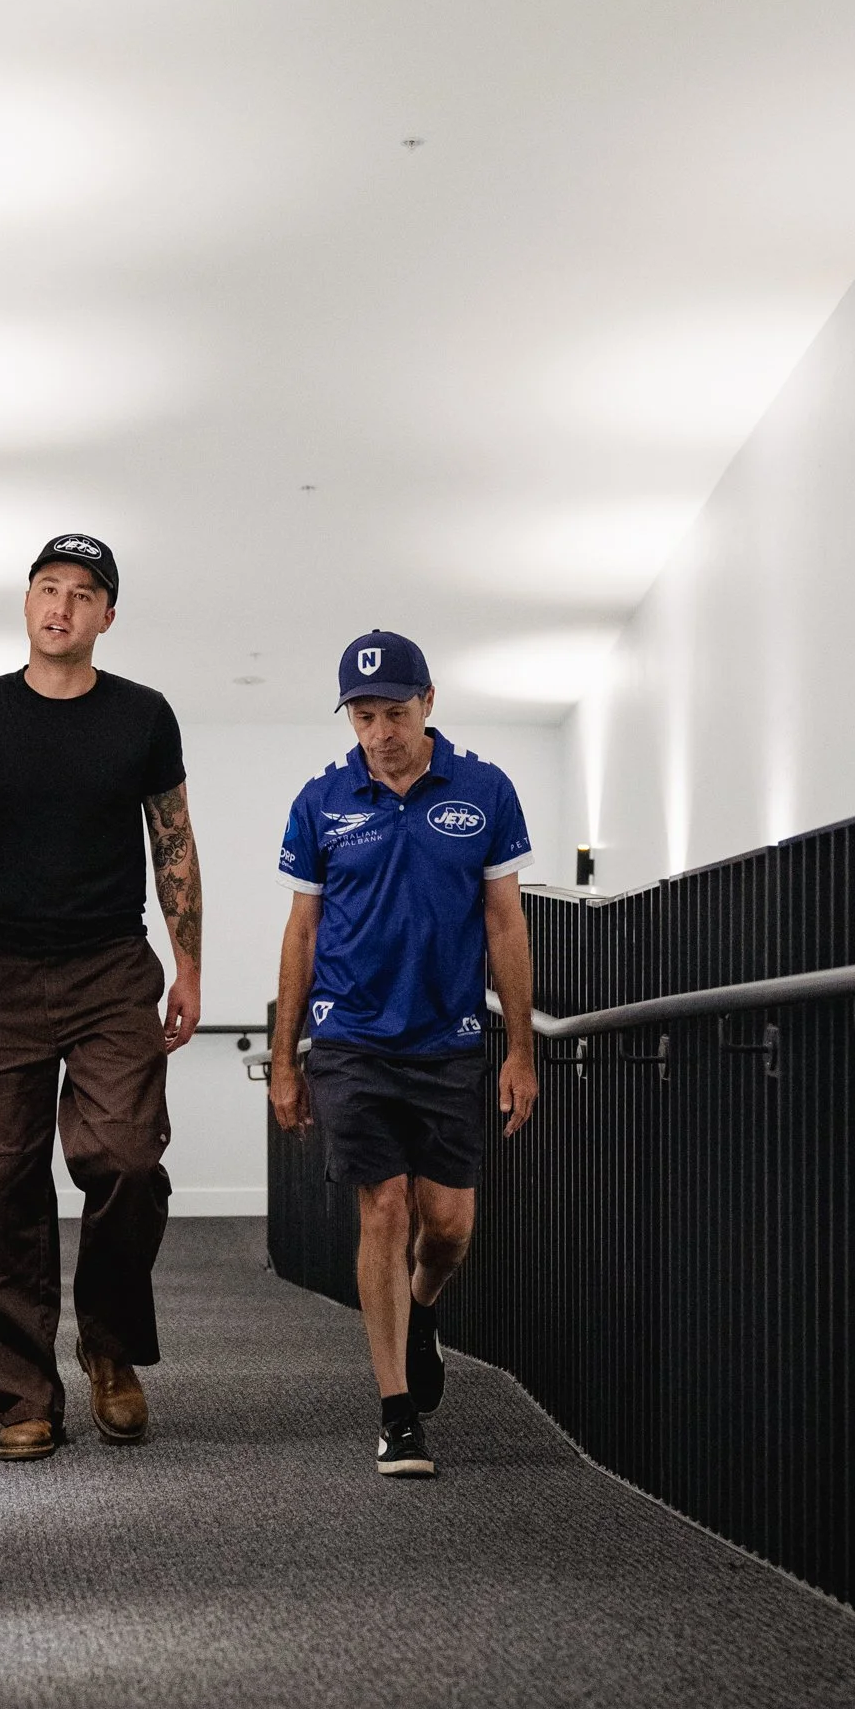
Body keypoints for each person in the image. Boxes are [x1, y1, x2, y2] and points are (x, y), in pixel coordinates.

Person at [0, 534, 202, 1461]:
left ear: (106, 616)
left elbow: (175, 844)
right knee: (0, 1190)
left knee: (119, 1159)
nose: (60, 606)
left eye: (81, 594)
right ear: (27, 602)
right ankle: (22, 1394)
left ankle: (109, 1349)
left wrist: (189, 966)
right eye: (46, 588)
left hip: (112, 968)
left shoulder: (143, 716)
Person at [268, 631, 538, 1476]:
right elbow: (302, 928)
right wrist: (286, 1057)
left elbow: (504, 922)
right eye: (362, 714)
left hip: (446, 1041)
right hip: (349, 1038)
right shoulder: (321, 801)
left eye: (393, 712)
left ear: (428, 703)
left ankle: (420, 1311)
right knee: (382, 1207)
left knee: (448, 1228)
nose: (378, 732)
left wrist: (521, 1049)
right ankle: (395, 1413)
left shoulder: (485, 791)